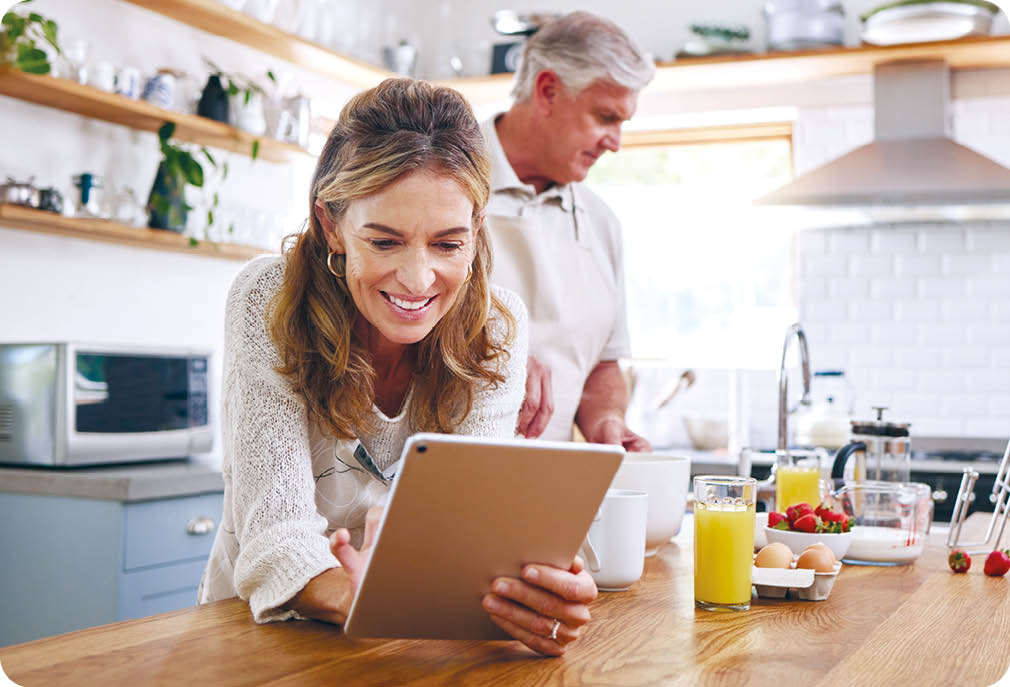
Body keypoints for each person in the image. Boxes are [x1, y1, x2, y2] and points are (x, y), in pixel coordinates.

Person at [198, 78, 596, 656]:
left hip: (414, 643)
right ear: (332, 225)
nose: (417, 279)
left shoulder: (497, 326)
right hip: (262, 642)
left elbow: (473, 539)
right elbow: (273, 535)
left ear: (477, 229)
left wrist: (534, 592)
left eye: (448, 244)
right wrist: (370, 598)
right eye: (384, 243)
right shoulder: (268, 297)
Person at [483, 12, 655, 450]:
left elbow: (602, 368)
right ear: (548, 91)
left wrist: (606, 422)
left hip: (553, 489)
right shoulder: (440, 182)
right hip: (439, 475)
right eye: (605, 117)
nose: (615, 141)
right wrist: (488, 363)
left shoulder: (601, 223)